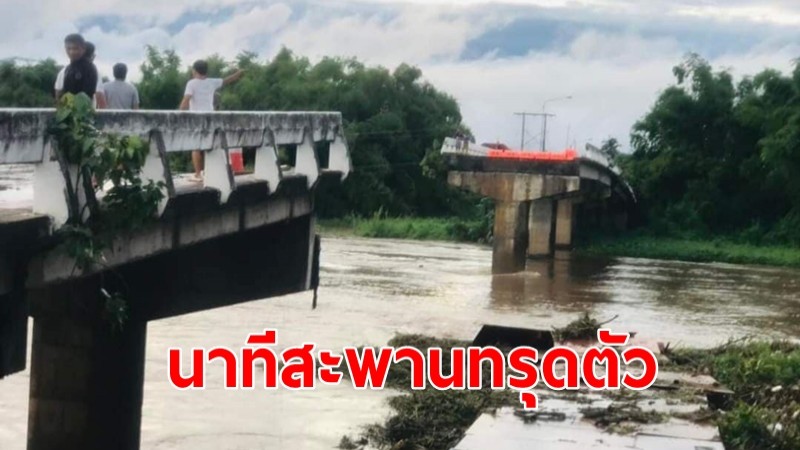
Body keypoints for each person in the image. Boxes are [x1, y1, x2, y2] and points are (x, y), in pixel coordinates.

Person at [179, 60, 244, 182]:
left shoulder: (191, 83)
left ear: (194, 70)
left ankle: (198, 174)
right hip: (211, 118)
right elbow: (227, 80)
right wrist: (238, 74)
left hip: (197, 119)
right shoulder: (212, 82)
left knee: (196, 147)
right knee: (211, 145)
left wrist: (179, 115)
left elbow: (186, 100)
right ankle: (214, 171)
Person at [55, 37, 106, 108]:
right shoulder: (95, 71)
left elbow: (58, 94)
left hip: (67, 112)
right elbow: (99, 95)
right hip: (86, 114)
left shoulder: (64, 71)